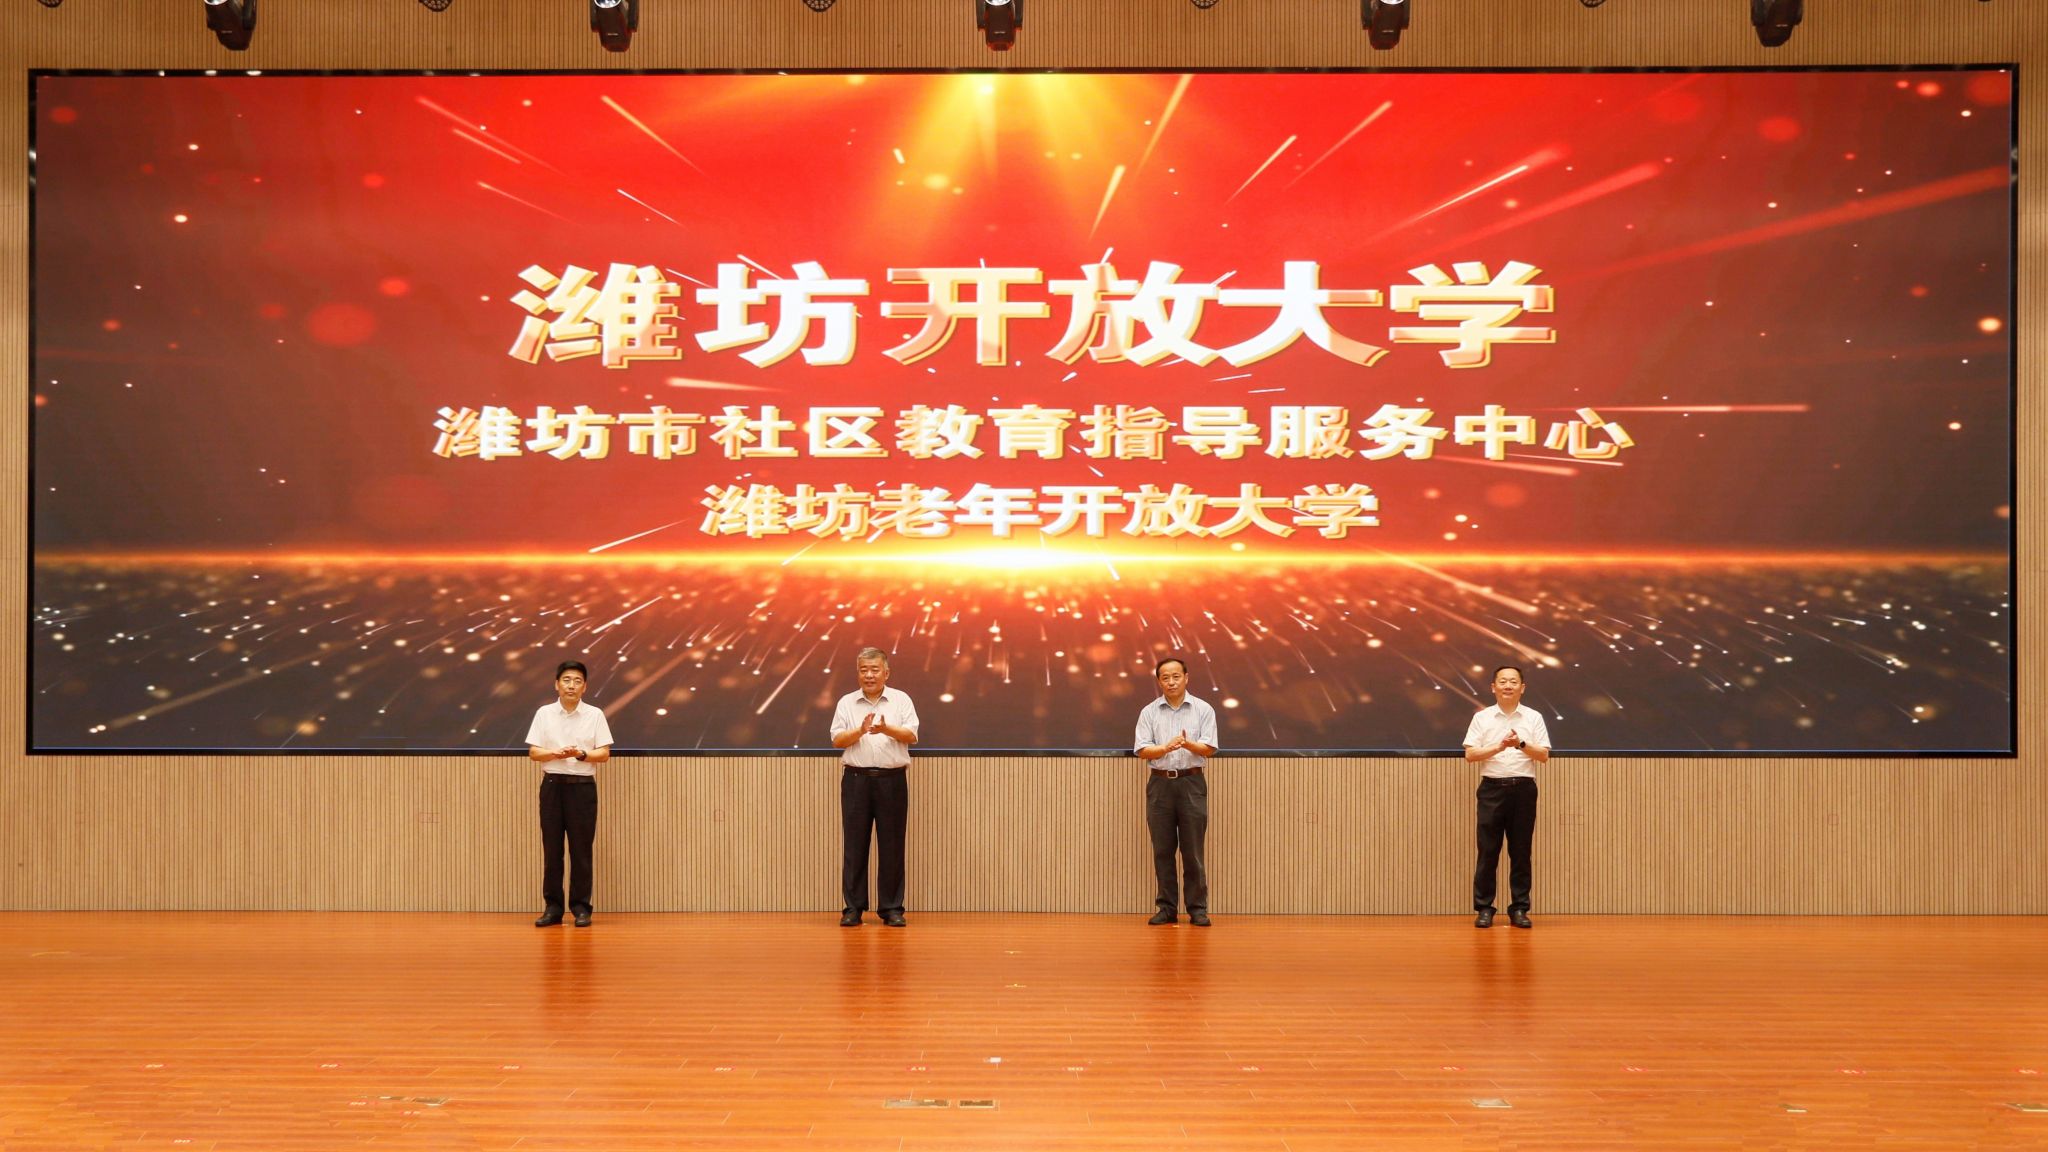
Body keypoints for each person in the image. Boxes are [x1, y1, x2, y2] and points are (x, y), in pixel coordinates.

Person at [829, 647, 919, 927]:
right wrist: (860, 730)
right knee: (854, 845)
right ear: (858, 673)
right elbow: (837, 740)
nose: (869, 675)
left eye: (874, 669)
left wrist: (885, 729)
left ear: (886, 673)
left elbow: (912, 735)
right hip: (856, 780)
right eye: (863, 670)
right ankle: (853, 908)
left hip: (892, 781)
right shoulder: (846, 702)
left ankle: (891, 909)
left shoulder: (901, 700)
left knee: (892, 846)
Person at [525, 660, 613, 928]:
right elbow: (534, 752)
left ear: (584, 687)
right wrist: (556, 753)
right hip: (552, 786)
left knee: (581, 851)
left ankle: (581, 908)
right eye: (566, 680)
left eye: (577, 681)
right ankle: (553, 908)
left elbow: (604, 754)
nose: (571, 685)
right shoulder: (544, 713)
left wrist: (581, 754)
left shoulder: (595, 714)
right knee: (552, 850)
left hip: (582, 788)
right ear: (556, 684)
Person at [1463, 664, 1551, 929]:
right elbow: (1470, 755)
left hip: (1523, 789)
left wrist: (1520, 744)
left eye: (1513, 681)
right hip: (1491, 788)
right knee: (1488, 851)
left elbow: (1543, 755)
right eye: (1503, 681)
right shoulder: (1482, 717)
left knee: (1521, 852)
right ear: (1493, 687)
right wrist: (1499, 746)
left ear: (1522, 688)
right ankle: (1484, 908)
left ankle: (1519, 908)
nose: (1508, 685)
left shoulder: (1533, 717)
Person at [1134, 656, 1219, 927]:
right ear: (1159, 681)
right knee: (1163, 850)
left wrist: (1187, 744)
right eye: (1165, 678)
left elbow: (1209, 747)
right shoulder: (1149, 712)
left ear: (1186, 678)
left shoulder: (1203, 709)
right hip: (1160, 784)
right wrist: (1165, 748)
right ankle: (1167, 908)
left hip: (1192, 782)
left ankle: (1197, 909)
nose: (1171, 682)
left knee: (1193, 851)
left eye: (1176, 676)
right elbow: (1142, 749)